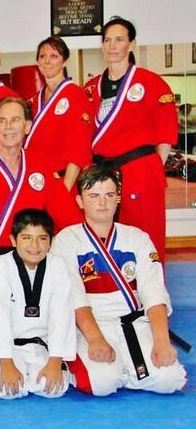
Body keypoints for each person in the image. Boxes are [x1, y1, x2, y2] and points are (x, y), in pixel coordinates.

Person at [51, 166, 186, 396]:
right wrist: (95, 339)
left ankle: (126, 369)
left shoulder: (137, 238)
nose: (102, 203)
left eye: (109, 195)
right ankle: (125, 371)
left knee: (170, 380)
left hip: (134, 323)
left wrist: (162, 340)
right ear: (80, 201)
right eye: (94, 196)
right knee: (101, 384)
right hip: (91, 325)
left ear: (118, 199)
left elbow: (154, 293)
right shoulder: (67, 240)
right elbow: (74, 296)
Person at [83, 17, 178, 261]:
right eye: (107, 40)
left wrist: (151, 168)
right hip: (102, 173)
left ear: (132, 44)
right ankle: (111, 284)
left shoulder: (151, 83)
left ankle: (152, 286)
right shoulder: (91, 88)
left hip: (140, 170)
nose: (112, 46)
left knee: (147, 236)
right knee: (104, 238)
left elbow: (165, 133)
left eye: (119, 40)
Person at [0, 97, 80, 258]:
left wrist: (71, 249)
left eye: (15, 120)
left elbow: (67, 217)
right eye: (2, 121)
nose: (8, 126)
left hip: (31, 259)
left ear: (27, 126)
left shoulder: (41, 166)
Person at [0, 209, 76, 400]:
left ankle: (47, 367)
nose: (35, 245)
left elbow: (62, 315)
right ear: (13, 240)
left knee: (52, 390)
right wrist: (6, 363)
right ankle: (5, 366)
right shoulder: (1, 265)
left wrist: (55, 360)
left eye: (42, 238)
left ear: (51, 242)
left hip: (43, 346)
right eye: (26, 238)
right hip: (9, 348)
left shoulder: (58, 266)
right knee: (7, 391)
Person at [25, 36, 93, 191]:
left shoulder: (76, 95)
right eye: (42, 56)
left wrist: (65, 190)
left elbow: (79, 147)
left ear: (65, 61)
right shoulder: (32, 102)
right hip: (34, 181)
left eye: (54, 56)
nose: (47, 61)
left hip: (63, 180)